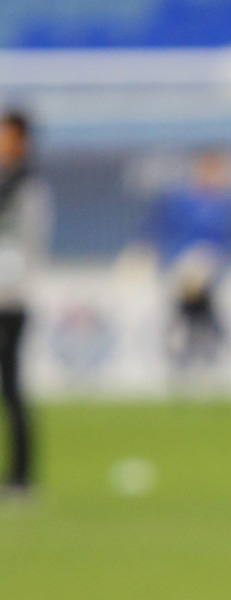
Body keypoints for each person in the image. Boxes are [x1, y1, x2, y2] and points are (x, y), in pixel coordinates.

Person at [128, 149, 231, 388]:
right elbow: (157, 229)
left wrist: (212, 264)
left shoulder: (227, 205)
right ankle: (182, 366)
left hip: (210, 274)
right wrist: (148, 253)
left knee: (206, 320)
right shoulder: (180, 200)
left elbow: (227, 243)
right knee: (184, 319)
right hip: (180, 270)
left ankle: (207, 364)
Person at [0, 110, 53, 496]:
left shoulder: (28, 188)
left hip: (11, 299)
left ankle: (21, 477)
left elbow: (29, 246)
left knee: (11, 387)